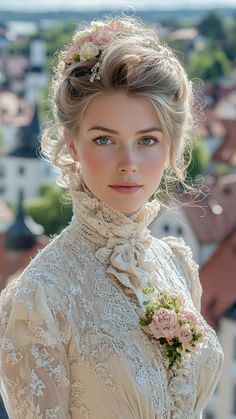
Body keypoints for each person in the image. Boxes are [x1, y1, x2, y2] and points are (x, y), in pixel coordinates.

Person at [0, 16, 223, 419]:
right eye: (104, 139)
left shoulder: (175, 263)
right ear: (72, 146)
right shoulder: (40, 297)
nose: (129, 164)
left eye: (148, 140)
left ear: (171, 147)